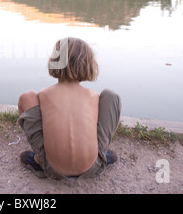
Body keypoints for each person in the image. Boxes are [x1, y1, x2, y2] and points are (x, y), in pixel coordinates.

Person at [17, 37, 121, 180]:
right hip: (91, 168)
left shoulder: (44, 95)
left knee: (27, 97)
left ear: (54, 60)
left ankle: (39, 159)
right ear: (88, 64)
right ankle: (101, 155)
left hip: (51, 168)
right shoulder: (94, 97)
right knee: (111, 96)